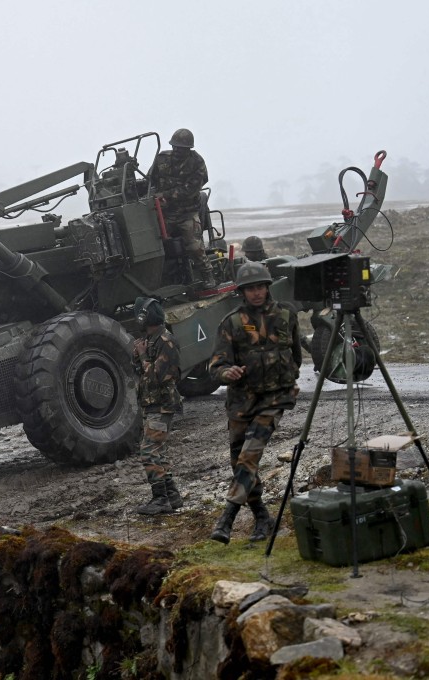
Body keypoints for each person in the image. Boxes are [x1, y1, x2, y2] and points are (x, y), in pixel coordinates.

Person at [207, 261, 302, 543]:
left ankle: (227, 518)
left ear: (267, 287)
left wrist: (284, 379)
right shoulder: (232, 323)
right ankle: (262, 517)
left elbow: (295, 356)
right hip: (241, 402)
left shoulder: (287, 315)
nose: (256, 293)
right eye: (250, 289)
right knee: (240, 463)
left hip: (274, 400)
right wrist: (227, 372)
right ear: (242, 292)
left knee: (250, 455)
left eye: (260, 286)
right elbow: (215, 366)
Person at [131, 297, 184, 515]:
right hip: (152, 405)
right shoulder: (151, 339)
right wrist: (138, 356)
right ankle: (171, 495)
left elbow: (156, 376)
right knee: (157, 452)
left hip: (162, 405)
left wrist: (143, 356)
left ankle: (160, 499)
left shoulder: (165, 340)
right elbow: (140, 372)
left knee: (148, 452)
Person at [149, 128, 216, 288]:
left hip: (187, 213)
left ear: (188, 149)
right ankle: (162, 281)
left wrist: (165, 194)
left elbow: (190, 189)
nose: (177, 150)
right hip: (165, 213)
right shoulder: (161, 159)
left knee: (194, 246)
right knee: (153, 246)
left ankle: (208, 276)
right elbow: (150, 180)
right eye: (175, 147)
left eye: (181, 148)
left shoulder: (197, 163)